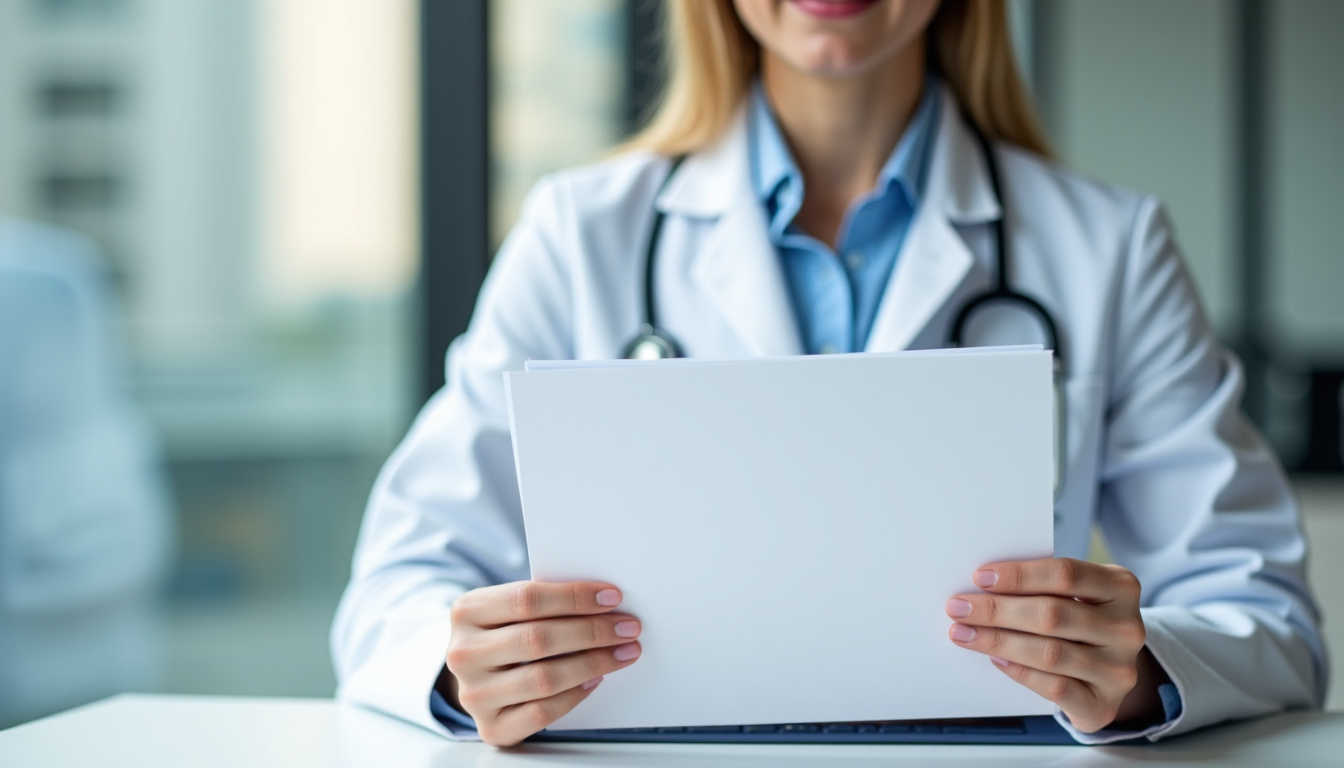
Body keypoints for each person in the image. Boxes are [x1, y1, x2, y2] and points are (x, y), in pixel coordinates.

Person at [331, 0, 1326, 747]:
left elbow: (1270, 622)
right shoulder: (579, 236)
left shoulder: (1109, 247)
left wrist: (1138, 671)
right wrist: (468, 668)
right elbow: (391, 601)